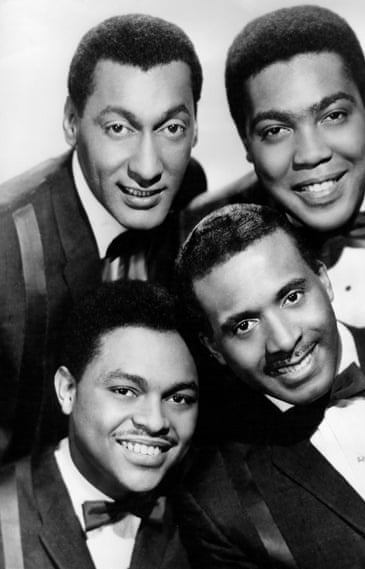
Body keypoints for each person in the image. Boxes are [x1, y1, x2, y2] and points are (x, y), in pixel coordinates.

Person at [174, 203, 365, 568]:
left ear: (324, 278)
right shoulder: (217, 504)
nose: (283, 340)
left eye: (291, 297)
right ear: (213, 348)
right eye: (244, 326)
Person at [0, 13, 206, 462]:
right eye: (119, 128)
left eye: (171, 128)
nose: (149, 168)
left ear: (194, 127)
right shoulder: (6, 252)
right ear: (72, 123)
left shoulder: (189, 187)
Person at [184, 4, 365, 329]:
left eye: (332, 116)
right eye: (275, 130)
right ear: (246, 144)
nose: (311, 154)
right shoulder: (194, 237)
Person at [0, 281, 199, 569]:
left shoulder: (204, 516)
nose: (155, 421)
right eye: (124, 391)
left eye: (178, 398)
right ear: (68, 390)